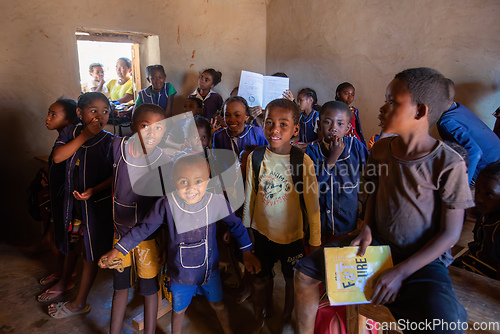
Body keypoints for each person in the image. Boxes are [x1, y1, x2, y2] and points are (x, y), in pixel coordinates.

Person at [294, 68, 474, 334]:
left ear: (420, 111)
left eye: (392, 102)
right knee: (304, 272)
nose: (381, 108)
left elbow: (450, 234)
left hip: (420, 259)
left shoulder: (448, 163)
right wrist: (366, 226)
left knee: (447, 324)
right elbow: (372, 192)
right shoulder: (380, 149)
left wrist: (400, 272)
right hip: (376, 243)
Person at [100, 154, 261, 334]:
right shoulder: (166, 204)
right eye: (183, 182)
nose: (191, 188)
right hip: (179, 274)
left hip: (209, 271)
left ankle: (228, 330)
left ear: (208, 181)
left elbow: (236, 225)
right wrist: (117, 250)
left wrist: (247, 252)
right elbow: (144, 229)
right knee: (179, 311)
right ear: (173, 181)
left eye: (198, 181)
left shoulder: (215, 202)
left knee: (218, 305)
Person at [242, 98, 321, 331]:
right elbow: (250, 197)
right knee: (260, 278)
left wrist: (314, 243)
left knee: (290, 281)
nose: (274, 129)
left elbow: (313, 207)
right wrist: (248, 233)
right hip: (261, 233)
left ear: (295, 130)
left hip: (293, 237)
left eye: (283, 124)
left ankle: (286, 317)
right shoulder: (255, 158)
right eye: (269, 122)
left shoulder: (302, 162)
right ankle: (260, 313)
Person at [98, 103, 172, 334]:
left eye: (159, 128)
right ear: (132, 127)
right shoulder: (118, 147)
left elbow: (165, 209)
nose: (152, 133)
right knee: (120, 287)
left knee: (150, 290)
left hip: (148, 238)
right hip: (119, 232)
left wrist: (167, 243)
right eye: (144, 126)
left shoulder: (165, 161)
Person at [48, 92, 114, 318]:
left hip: (96, 209)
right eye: (93, 111)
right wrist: (84, 135)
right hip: (72, 209)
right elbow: (58, 157)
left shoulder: (109, 141)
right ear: (79, 113)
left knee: (90, 252)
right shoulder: (71, 132)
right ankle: (66, 282)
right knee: (73, 245)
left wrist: (94, 190)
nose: (100, 116)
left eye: (105, 111)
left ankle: (79, 302)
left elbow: (117, 176)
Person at [306, 101, 368, 242]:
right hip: (319, 220)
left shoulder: (355, 146)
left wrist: (364, 202)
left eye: (340, 124)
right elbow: (313, 186)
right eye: (327, 122)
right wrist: (332, 159)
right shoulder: (313, 150)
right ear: (319, 124)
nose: (333, 128)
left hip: (346, 220)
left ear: (348, 128)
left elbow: (371, 175)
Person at [37, 99, 80, 300]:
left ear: (70, 120)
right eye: (48, 112)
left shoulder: (74, 135)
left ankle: (68, 279)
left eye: (54, 114)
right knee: (53, 239)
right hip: (58, 199)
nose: (48, 118)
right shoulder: (63, 136)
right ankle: (65, 272)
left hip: (68, 201)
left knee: (65, 241)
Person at [437, 78, 500, 185]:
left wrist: (462, 186)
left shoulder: (446, 121)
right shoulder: (458, 108)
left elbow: (474, 152)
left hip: (491, 169)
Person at [454, 161, 500, 280]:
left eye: (488, 194)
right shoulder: (487, 212)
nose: (478, 198)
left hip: (483, 282)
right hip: (470, 267)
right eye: (477, 190)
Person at [335, 82, 366, 146]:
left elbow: (357, 129)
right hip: (341, 143)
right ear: (338, 94)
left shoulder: (353, 111)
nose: (350, 97)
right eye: (346, 94)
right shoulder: (333, 111)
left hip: (355, 142)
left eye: (352, 95)